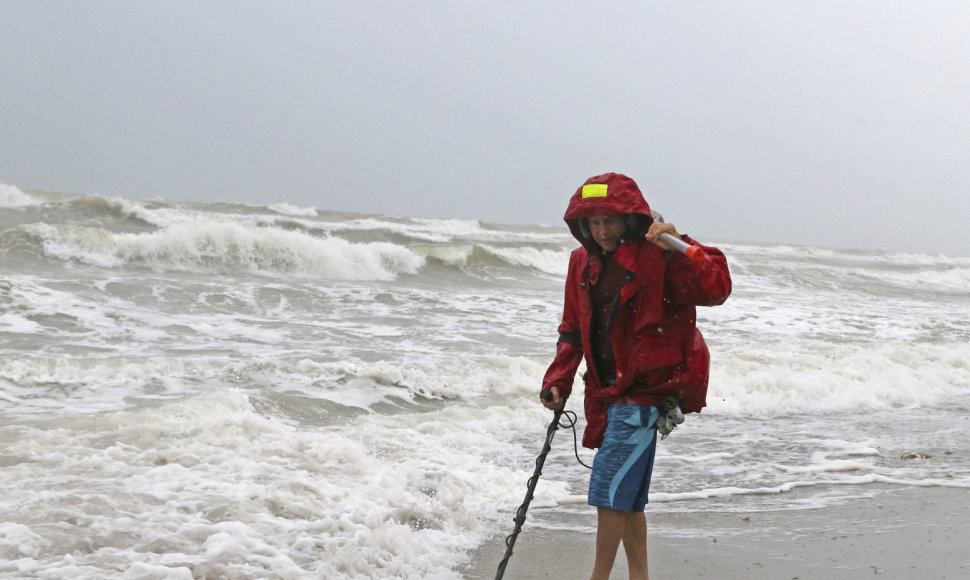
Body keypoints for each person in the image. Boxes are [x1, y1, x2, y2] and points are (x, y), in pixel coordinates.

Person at [540, 173, 732, 580]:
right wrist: (559, 378)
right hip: (607, 390)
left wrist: (681, 247)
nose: (601, 230)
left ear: (630, 218)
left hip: (649, 388)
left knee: (609, 489)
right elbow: (573, 327)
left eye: (609, 220)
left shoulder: (658, 251)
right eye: (592, 222)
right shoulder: (581, 261)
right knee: (626, 498)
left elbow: (716, 287)